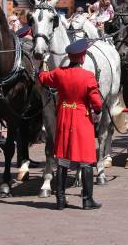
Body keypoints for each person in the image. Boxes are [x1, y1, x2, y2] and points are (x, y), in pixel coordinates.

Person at [37, 39, 104, 209]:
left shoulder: (59, 73)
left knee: (63, 160)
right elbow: (97, 104)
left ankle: (60, 199)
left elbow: (43, 77)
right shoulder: (88, 77)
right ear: (82, 58)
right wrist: (98, 106)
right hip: (82, 119)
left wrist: (43, 63)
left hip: (64, 117)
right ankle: (87, 199)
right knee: (87, 161)